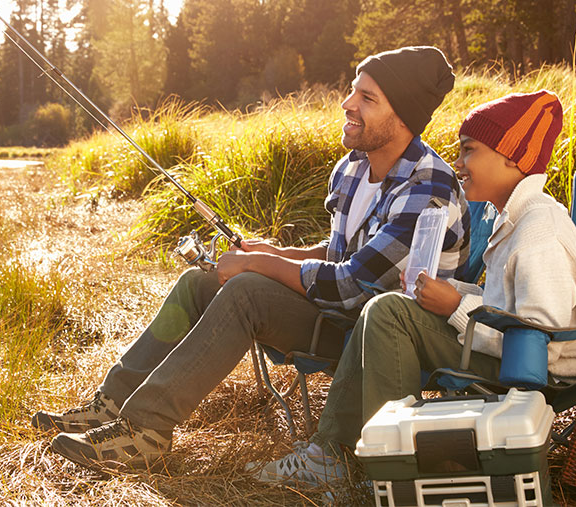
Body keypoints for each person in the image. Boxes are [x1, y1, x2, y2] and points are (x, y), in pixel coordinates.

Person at [32, 46, 470, 471]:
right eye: (353, 90)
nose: (347, 103)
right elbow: (338, 253)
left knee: (247, 292)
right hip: (334, 314)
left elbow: (352, 286)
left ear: (403, 117)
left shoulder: (428, 186)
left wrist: (261, 266)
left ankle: (143, 432)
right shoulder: (354, 167)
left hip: (371, 339)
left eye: (367, 98)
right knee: (198, 283)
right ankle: (109, 405)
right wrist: (273, 252)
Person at [253, 89, 576, 486]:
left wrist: (454, 305)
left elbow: (540, 337)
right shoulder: (512, 217)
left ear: (511, 157)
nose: (458, 163)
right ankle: (334, 451)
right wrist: (453, 291)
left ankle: (390, 466)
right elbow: (504, 306)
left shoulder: (538, 230)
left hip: (540, 372)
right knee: (386, 307)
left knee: (389, 313)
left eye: (469, 151)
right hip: (510, 351)